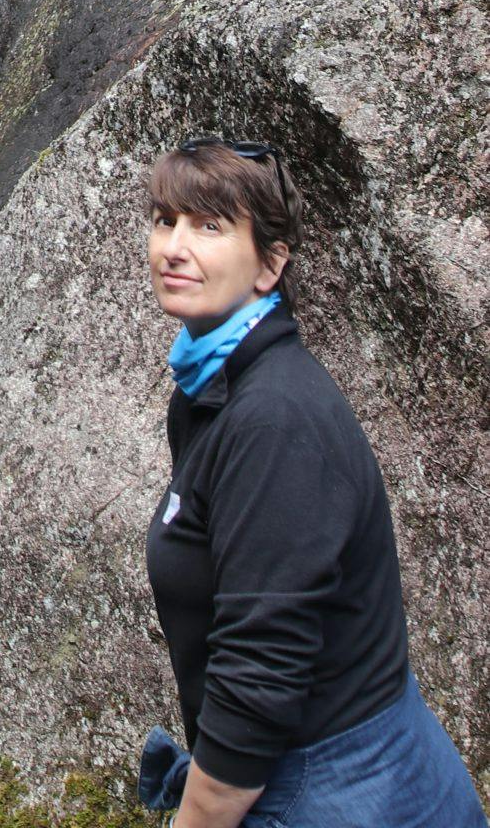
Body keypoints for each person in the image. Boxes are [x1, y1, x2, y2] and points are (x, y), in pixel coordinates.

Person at [140, 135, 487, 828]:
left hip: (336, 790)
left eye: (209, 226)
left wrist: (195, 819)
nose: (173, 246)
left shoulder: (273, 419)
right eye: (165, 219)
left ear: (270, 265)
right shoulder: (211, 388)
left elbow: (262, 667)